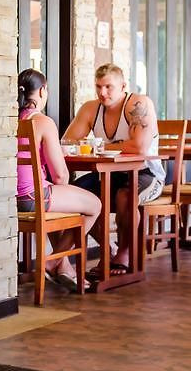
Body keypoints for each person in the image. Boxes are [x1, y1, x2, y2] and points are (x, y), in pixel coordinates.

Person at [61, 63, 166, 272]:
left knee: (124, 196)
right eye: (98, 86)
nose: (102, 93)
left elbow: (138, 147)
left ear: (123, 86)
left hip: (146, 173)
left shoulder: (138, 104)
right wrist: (106, 146)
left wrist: (99, 146)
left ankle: (124, 252)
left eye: (108, 87)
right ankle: (107, 248)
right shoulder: (91, 109)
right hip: (107, 174)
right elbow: (67, 143)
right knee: (73, 196)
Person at [17, 69, 101, 291]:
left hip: (11, 198)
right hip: (33, 197)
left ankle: (61, 265)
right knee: (95, 205)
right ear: (42, 91)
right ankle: (54, 260)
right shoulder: (43, 121)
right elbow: (61, 176)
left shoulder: (10, 120)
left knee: (59, 201)